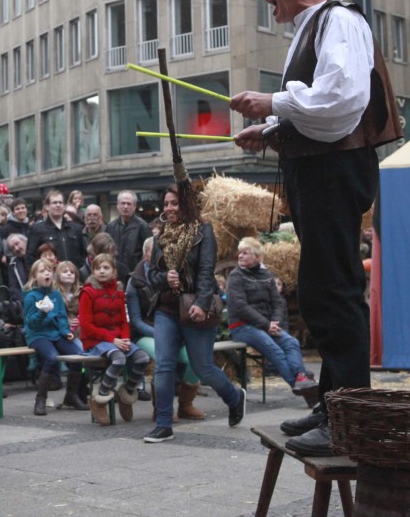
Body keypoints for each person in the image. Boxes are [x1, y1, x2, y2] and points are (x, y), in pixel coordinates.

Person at [229, 0, 401, 456]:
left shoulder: (339, 20)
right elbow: (319, 108)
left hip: (333, 170)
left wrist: (272, 102)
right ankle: (334, 406)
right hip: (320, 169)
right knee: (323, 287)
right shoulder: (312, 26)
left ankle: (349, 418)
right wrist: (272, 127)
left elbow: (342, 99)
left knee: (333, 289)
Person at [145, 185, 246, 443]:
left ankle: (234, 397)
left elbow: (206, 271)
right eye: (166, 203)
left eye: (174, 203)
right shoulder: (160, 237)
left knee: (203, 367)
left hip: (194, 307)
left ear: (187, 205)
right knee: (164, 365)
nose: (169, 208)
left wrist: (201, 303)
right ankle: (164, 424)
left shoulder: (203, 231)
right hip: (166, 309)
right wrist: (164, 278)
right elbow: (151, 276)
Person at [226, 237, 318, 406]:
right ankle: (305, 390)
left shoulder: (266, 275)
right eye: (240, 253)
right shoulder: (235, 276)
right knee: (275, 351)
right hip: (242, 326)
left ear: (257, 257)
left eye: (245, 253)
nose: (240, 256)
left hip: (267, 326)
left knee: (291, 342)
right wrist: (266, 325)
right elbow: (240, 307)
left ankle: (301, 377)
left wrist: (275, 322)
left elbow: (277, 302)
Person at [126, 237, 204, 422]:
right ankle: (161, 408)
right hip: (145, 333)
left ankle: (185, 405)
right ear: (146, 256)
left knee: (196, 358)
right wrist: (162, 334)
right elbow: (136, 321)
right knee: (163, 357)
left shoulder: (175, 276)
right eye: (155, 252)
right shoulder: (135, 282)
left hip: (175, 331)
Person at [78, 253, 149, 426]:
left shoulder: (118, 292)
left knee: (142, 358)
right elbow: (86, 325)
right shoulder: (88, 292)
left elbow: (124, 322)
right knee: (119, 359)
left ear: (114, 271)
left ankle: (127, 394)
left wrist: (125, 339)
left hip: (117, 339)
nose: (101, 271)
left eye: (106, 268)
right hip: (96, 340)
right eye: (97, 268)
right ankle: (100, 399)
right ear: (93, 271)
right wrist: (112, 340)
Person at [24, 259, 87, 415]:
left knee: (78, 355)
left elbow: (61, 317)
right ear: (34, 276)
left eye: (49, 271)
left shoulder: (56, 294)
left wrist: (66, 331)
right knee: (51, 358)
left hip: (56, 334)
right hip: (38, 335)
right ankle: (41, 399)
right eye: (42, 271)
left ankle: (71, 396)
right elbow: (30, 323)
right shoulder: (31, 296)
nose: (47, 273)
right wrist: (41, 313)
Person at [105, 190, 153, 287]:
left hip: (135, 277)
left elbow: (149, 253)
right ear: (117, 205)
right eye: (123, 203)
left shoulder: (143, 226)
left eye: (129, 204)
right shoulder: (110, 226)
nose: (125, 206)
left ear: (134, 206)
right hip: (113, 276)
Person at [26, 191, 84, 267]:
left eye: (60, 202)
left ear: (64, 206)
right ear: (47, 206)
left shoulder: (76, 228)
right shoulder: (37, 229)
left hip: (73, 273)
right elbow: (30, 257)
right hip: (50, 273)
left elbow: (83, 254)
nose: (58, 205)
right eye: (54, 203)